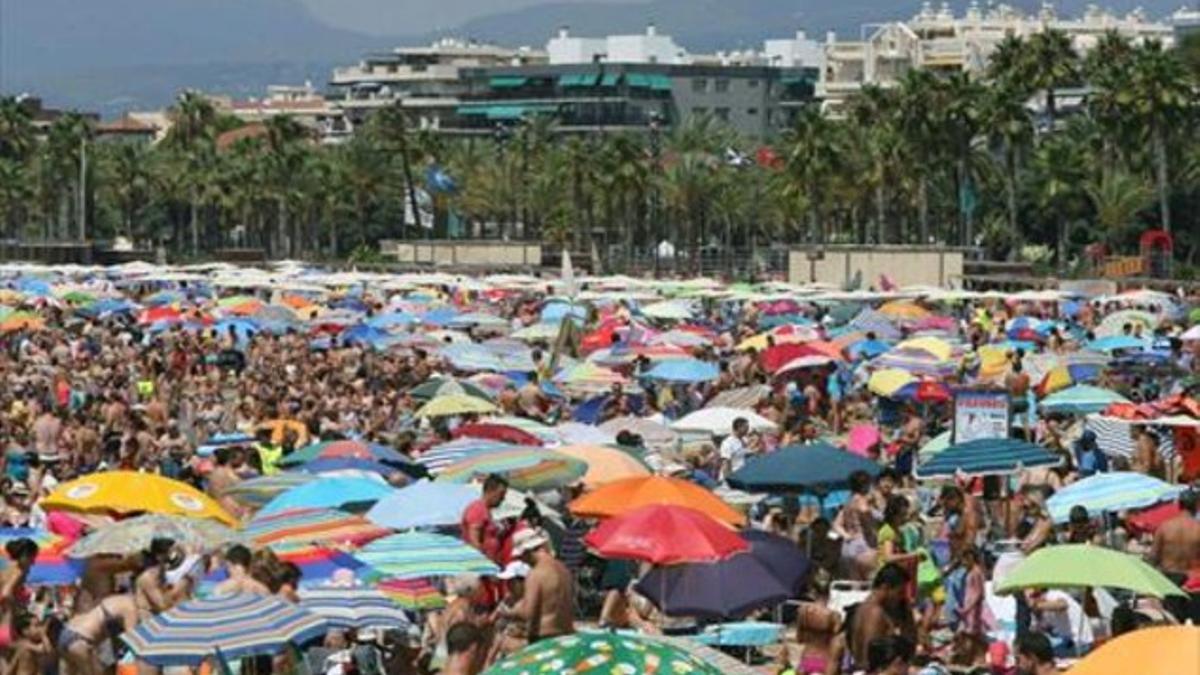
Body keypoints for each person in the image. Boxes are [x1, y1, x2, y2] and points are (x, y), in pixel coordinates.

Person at [511, 528, 574, 643]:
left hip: (544, 636)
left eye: (521, 557)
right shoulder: (564, 570)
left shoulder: (535, 574)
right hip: (566, 635)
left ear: (527, 551)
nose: (522, 561)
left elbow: (528, 613)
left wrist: (511, 610)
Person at [849, 563, 913, 670]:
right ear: (885, 588)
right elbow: (869, 660)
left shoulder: (865, 607)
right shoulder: (875, 614)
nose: (902, 597)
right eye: (900, 592)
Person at [58, 594, 139, 675]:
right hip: (81, 640)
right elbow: (132, 641)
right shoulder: (130, 607)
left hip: (67, 632)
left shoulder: (114, 600)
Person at [1151, 489, 1200, 621]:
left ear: (1179, 505)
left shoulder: (1165, 527)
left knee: (1173, 624)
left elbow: (1153, 558)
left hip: (1170, 582)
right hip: (1194, 583)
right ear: (1197, 506)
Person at [0, 538, 38, 653]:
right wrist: (16, 607)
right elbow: (6, 593)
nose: (33, 562)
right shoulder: (20, 571)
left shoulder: (6, 567)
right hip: (8, 624)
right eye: (33, 557)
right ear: (25, 555)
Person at [461, 474, 509, 565]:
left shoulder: (485, 510)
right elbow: (474, 541)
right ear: (490, 491)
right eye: (501, 494)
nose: (503, 499)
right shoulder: (477, 509)